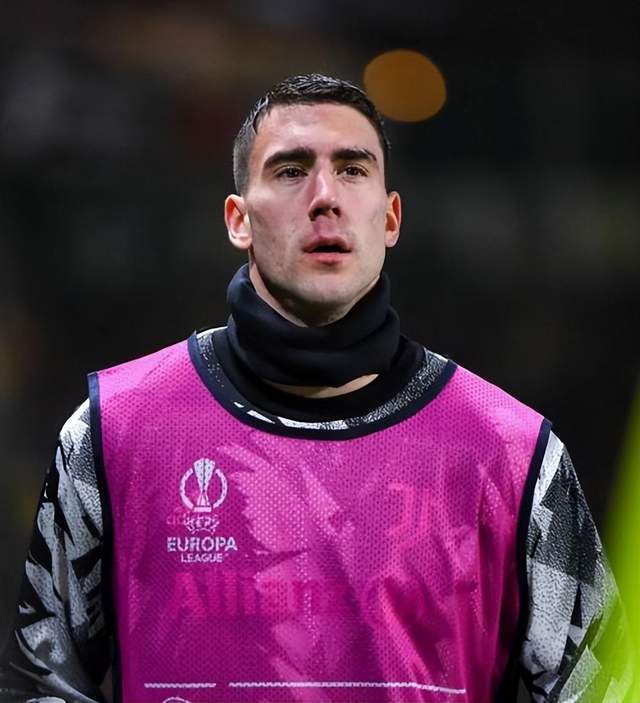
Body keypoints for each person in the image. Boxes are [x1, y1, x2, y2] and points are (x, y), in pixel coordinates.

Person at [0, 74, 634, 703]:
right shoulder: (114, 432)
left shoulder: (509, 452)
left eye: (353, 170)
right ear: (238, 220)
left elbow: (607, 689)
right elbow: (40, 682)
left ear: (390, 218)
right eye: (291, 170)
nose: (325, 196)